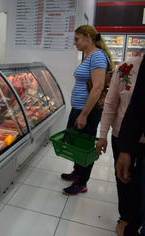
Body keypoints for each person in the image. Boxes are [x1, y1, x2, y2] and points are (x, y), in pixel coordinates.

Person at [60, 25, 113, 195]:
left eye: (77, 38)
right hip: (79, 108)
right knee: (76, 142)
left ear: (87, 37)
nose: (74, 42)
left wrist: (83, 114)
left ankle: (82, 182)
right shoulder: (88, 55)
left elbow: (97, 88)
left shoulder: (97, 56)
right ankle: (77, 172)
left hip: (88, 111)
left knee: (85, 146)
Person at [96, 56, 144, 236]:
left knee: (140, 183)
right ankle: (125, 216)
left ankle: (137, 219)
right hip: (122, 137)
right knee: (124, 178)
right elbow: (110, 105)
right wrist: (102, 136)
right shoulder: (126, 68)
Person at [116, 56, 145, 236]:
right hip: (126, 136)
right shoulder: (127, 67)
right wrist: (124, 149)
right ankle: (128, 220)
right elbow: (137, 107)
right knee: (132, 187)